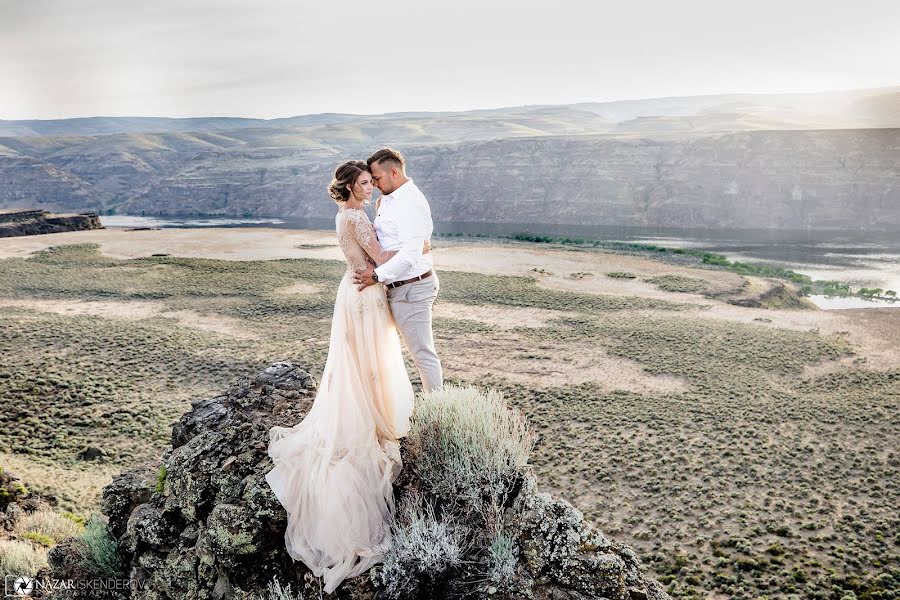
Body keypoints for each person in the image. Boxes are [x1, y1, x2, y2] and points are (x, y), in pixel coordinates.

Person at [265, 160, 428, 593]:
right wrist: (421, 248)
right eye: (364, 183)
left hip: (350, 292)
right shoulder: (357, 216)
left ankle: (372, 418)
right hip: (366, 295)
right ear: (351, 188)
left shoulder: (344, 216)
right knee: (373, 364)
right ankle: (375, 424)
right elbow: (382, 259)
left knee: (359, 363)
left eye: (372, 182)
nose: (371, 188)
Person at [353, 148, 443, 392]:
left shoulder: (410, 202)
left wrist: (376, 276)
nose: (374, 185)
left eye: (377, 179)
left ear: (394, 171)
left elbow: (411, 254)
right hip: (397, 288)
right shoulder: (390, 198)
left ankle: (438, 415)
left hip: (411, 288)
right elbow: (391, 240)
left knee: (423, 354)